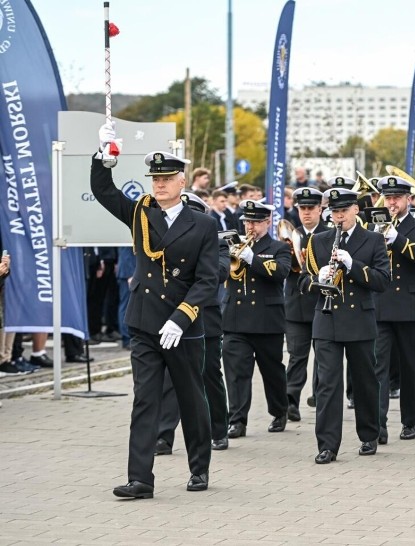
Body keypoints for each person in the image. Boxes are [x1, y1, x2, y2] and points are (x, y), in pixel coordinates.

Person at [92, 123, 219, 499]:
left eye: (166, 178)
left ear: (182, 182)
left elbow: (207, 280)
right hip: (146, 322)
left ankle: (199, 469)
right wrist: (103, 156)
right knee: (145, 400)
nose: (159, 184)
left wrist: (181, 318)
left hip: (182, 325)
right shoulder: (140, 214)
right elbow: (104, 191)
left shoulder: (204, 224)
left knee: (191, 398)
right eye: (155, 178)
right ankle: (141, 479)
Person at [298, 187, 390, 463]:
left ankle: (369, 435)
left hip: (359, 319)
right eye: (334, 212)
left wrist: (353, 265)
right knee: (327, 384)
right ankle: (327, 445)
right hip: (326, 320)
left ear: (355, 211)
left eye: (343, 212)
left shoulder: (373, 240)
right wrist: (318, 278)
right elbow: (302, 283)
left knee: (364, 381)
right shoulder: (318, 241)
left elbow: (382, 280)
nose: (339, 218)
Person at [155, 192, 231, 454]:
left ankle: (219, 429)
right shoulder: (170, 241)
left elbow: (220, 272)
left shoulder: (217, 242)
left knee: (209, 375)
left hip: (204, 318)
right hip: (173, 317)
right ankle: (164, 436)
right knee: (170, 380)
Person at [373, 176, 415, 442]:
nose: (392, 203)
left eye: (397, 198)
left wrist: (398, 239)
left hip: (409, 306)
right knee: (378, 367)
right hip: (380, 306)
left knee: (411, 366)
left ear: (408, 199)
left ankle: (409, 420)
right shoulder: (373, 227)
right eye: (388, 198)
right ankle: (378, 424)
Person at [223, 200, 291, 439]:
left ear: (267, 222)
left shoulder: (279, 247)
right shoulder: (232, 246)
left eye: (255, 222)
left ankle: (279, 410)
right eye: (247, 222)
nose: (250, 226)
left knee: (272, 371)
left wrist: (253, 258)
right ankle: (237, 420)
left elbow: (281, 272)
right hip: (235, 319)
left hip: (266, 320)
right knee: (236, 373)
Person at [283, 187, 327, 421]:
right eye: (302, 209)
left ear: (320, 209)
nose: (306, 213)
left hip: (322, 302)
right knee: (296, 355)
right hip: (297, 304)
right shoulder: (292, 235)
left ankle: (322, 398)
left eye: (311, 208)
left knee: (323, 355)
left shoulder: (330, 234)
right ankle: (291, 401)